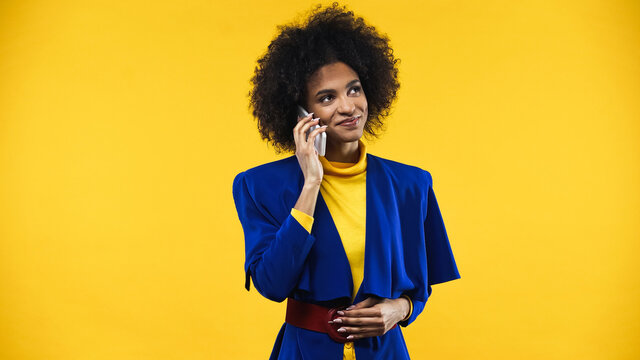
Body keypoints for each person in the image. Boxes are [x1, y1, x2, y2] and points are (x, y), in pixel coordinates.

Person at [232, 3, 460, 359]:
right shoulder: (259, 185)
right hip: (305, 351)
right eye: (327, 98)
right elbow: (272, 284)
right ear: (301, 114)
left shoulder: (411, 184)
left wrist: (400, 310)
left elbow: (420, 286)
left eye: (354, 90)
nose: (349, 107)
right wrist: (310, 184)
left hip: (384, 352)